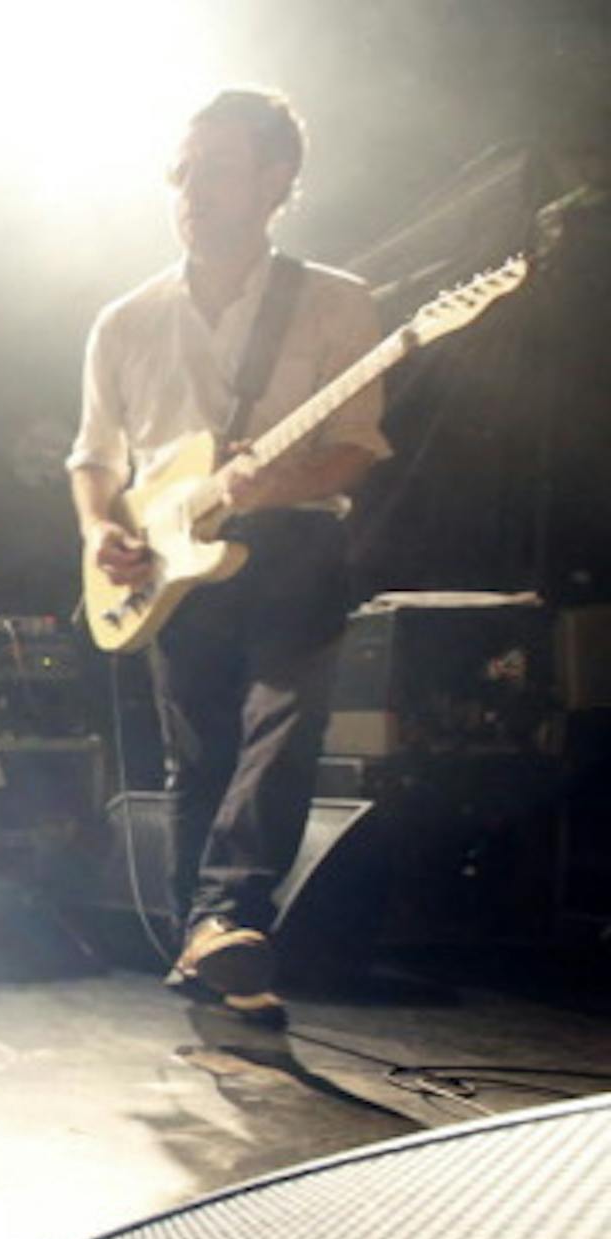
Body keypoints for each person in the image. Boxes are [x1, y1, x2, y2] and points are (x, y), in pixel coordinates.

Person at [67, 89, 391, 1013]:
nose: (189, 189)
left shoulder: (336, 302)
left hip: (293, 540)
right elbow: (94, 457)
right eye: (181, 171)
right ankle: (205, 941)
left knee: (282, 724)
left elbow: (357, 446)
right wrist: (104, 532)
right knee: (198, 755)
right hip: (172, 559)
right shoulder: (125, 320)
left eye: (212, 168)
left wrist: (273, 484)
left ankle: (229, 910)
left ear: (275, 179)